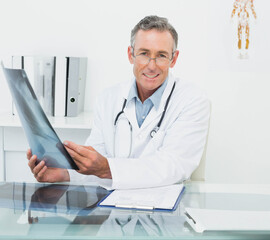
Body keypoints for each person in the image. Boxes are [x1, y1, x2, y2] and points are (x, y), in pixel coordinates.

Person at [27, 15, 210, 189]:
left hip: (164, 209)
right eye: (144, 53)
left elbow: (173, 166)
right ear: (131, 55)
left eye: (161, 55)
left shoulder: (193, 100)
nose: (152, 65)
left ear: (174, 58)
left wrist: (108, 168)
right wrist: (64, 175)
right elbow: (96, 159)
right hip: (115, 212)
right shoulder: (108, 99)